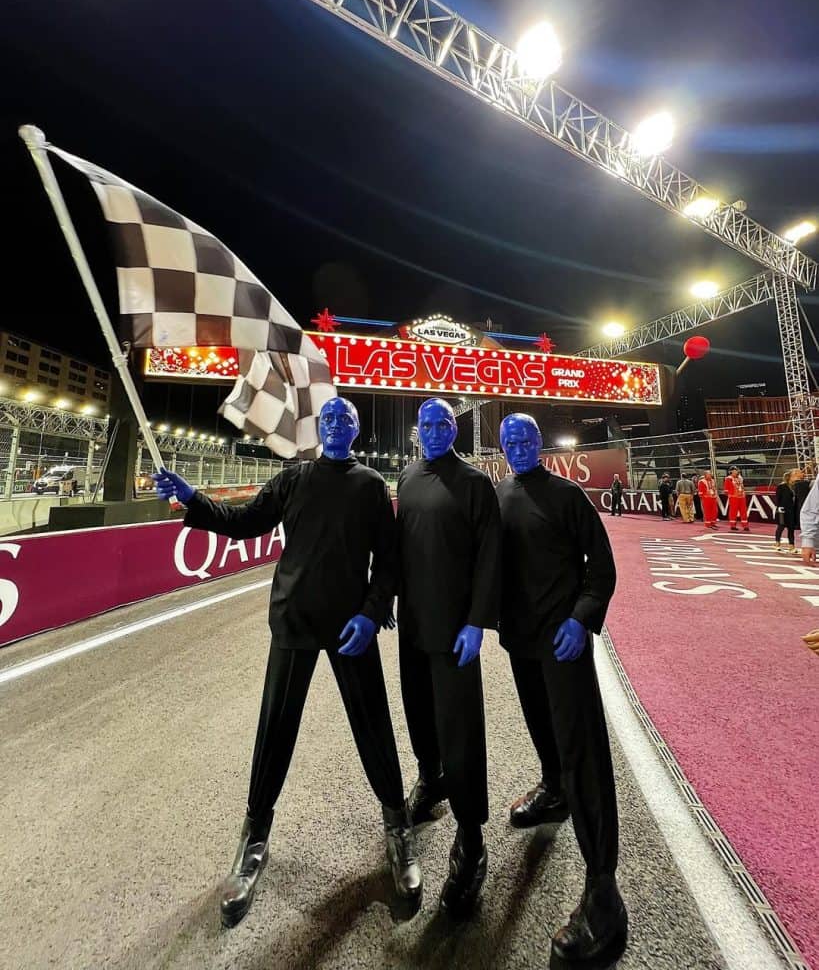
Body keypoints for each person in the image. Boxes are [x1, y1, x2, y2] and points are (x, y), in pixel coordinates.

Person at [152, 397, 422, 927]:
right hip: (294, 623)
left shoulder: (370, 485)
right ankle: (253, 841)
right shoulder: (292, 479)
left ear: (356, 428)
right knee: (274, 732)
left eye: (347, 419)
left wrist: (372, 613)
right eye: (330, 419)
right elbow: (243, 522)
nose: (338, 425)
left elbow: (388, 560)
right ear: (319, 429)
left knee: (375, 729)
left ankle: (397, 829)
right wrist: (193, 498)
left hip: (352, 629)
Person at [496, 413, 625, 962]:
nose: (520, 445)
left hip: (564, 642)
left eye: (527, 437)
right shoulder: (497, 495)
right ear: (502, 447)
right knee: (541, 727)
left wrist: (582, 619)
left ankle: (604, 892)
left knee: (584, 752)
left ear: (539, 443)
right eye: (510, 440)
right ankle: (553, 793)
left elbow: (603, 568)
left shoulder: (569, 496)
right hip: (520, 642)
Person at [396, 397, 501, 919]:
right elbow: (401, 547)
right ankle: (430, 779)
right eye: (426, 424)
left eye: (443, 423)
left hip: (456, 630)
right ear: (417, 431)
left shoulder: (475, 483)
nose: (435, 430)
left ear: (453, 428)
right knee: (417, 711)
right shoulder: (408, 477)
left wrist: (478, 622)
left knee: (461, 729)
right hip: (413, 625)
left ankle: (471, 838)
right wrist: (388, 601)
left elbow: (489, 559)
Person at [773, 470, 798, 553]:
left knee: (791, 528)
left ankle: (791, 546)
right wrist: (779, 507)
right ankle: (777, 543)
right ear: (789, 477)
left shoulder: (795, 486)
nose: (795, 477)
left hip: (791, 510)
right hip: (782, 509)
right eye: (793, 476)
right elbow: (777, 498)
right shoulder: (781, 486)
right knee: (781, 526)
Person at [724, 466, 750, 532]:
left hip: (741, 497)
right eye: (735, 470)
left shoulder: (740, 478)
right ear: (731, 471)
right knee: (733, 512)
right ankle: (733, 525)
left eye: (737, 470)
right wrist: (731, 495)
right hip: (734, 498)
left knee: (743, 512)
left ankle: (745, 526)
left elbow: (742, 486)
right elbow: (726, 490)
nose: (737, 471)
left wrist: (742, 492)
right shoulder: (728, 478)